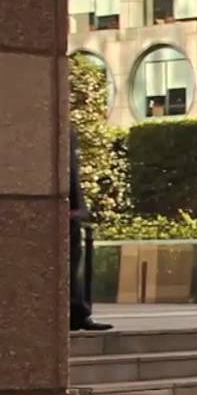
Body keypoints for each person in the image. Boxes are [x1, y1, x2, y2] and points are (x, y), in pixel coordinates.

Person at [69, 126, 112, 332]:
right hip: (62, 210)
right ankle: (76, 312)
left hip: (69, 211)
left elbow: (72, 173)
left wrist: (79, 207)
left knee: (73, 263)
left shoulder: (67, 132)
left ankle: (78, 313)